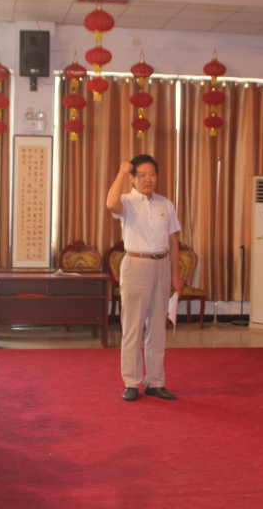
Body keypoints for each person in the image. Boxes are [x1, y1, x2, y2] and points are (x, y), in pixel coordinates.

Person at [106, 155, 183, 402]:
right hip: (136, 265)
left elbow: (173, 241)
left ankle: (156, 382)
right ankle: (131, 383)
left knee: (158, 328)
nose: (147, 179)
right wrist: (121, 172)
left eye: (152, 174)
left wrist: (176, 274)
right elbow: (111, 204)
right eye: (142, 175)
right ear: (133, 178)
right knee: (133, 327)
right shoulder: (126, 201)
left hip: (162, 266)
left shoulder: (166, 204)